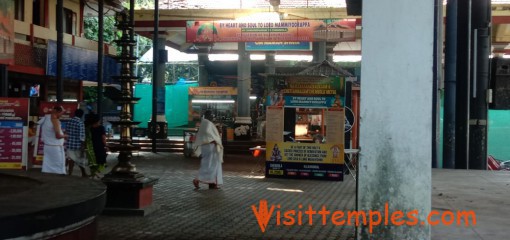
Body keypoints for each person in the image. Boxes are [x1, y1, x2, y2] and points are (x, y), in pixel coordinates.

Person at [192, 110, 224, 189]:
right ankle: (199, 179)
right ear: (208, 116)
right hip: (210, 146)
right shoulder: (208, 123)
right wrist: (214, 139)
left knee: (208, 164)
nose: (212, 117)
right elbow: (209, 134)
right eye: (211, 115)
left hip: (206, 147)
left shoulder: (204, 123)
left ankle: (212, 182)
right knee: (212, 164)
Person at [39, 105, 67, 174]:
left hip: (47, 147)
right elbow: (58, 136)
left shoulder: (45, 118)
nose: (61, 115)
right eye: (61, 113)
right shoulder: (55, 121)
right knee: (59, 169)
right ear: (57, 112)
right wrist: (66, 135)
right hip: (56, 148)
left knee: (47, 167)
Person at [84, 113, 107, 178]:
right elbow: (103, 138)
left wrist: (85, 146)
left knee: (92, 160)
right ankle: (96, 172)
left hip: (91, 146)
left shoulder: (88, 128)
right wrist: (106, 145)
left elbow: (86, 138)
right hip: (99, 145)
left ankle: (93, 173)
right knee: (101, 159)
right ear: (98, 120)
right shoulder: (101, 127)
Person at [66, 109, 87, 177]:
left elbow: (67, 131)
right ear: (81, 115)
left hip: (69, 143)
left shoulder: (69, 121)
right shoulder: (80, 122)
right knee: (81, 159)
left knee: (70, 159)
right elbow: (82, 135)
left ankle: (70, 173)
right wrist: (83, 146)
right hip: (78, 144)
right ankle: (83, 173)